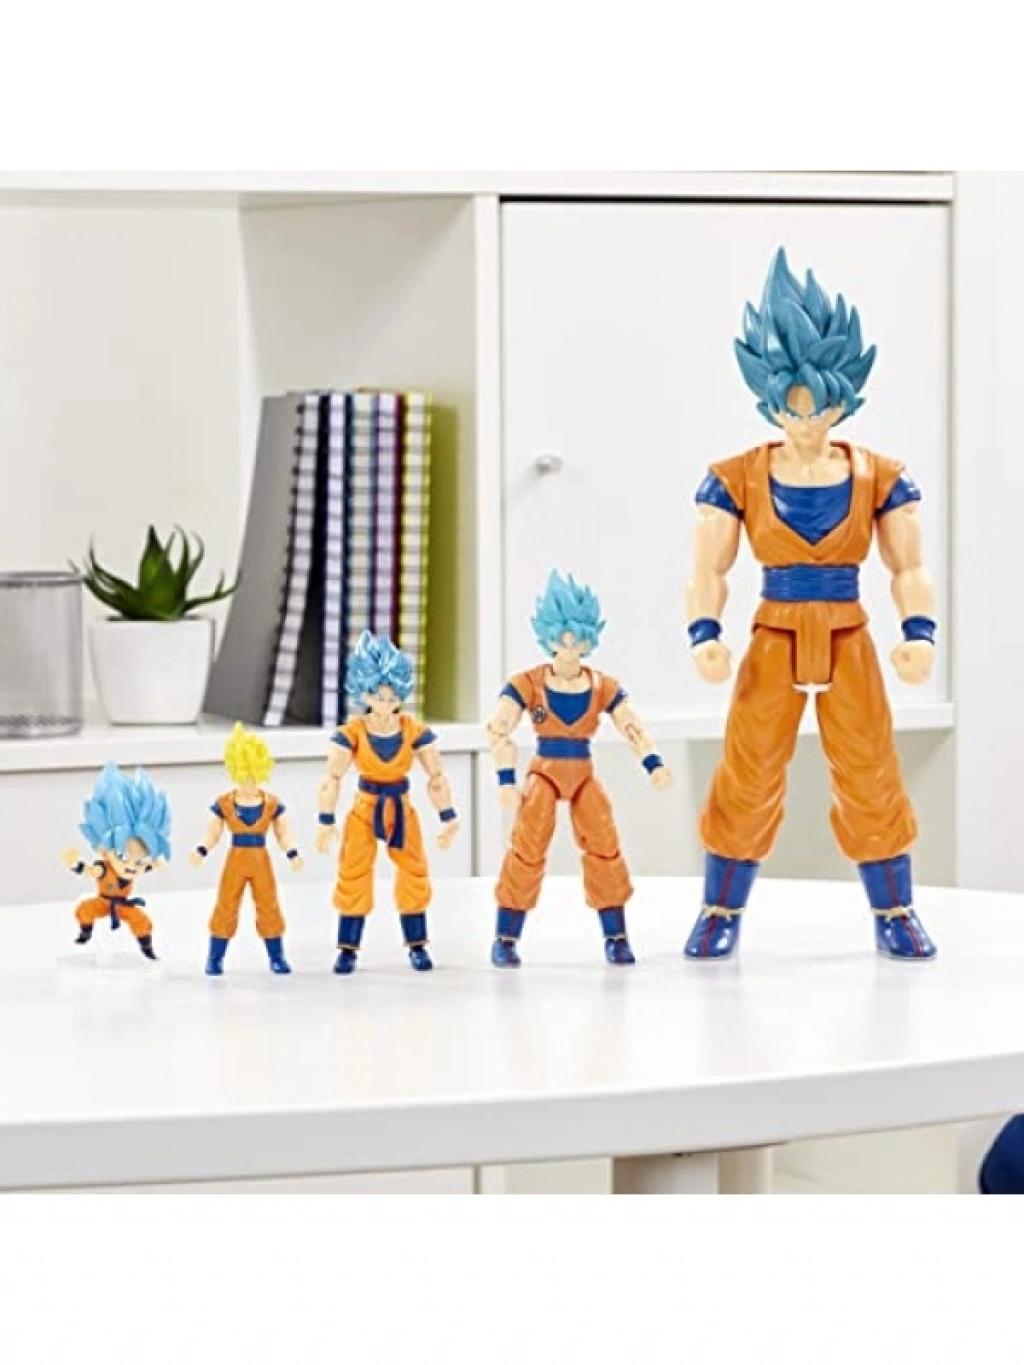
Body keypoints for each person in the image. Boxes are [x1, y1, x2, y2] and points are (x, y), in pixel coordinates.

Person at [684, 247, 938, 961]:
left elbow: (908, 564)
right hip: (774, 633)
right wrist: (704, 632)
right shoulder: (735, 476)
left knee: (870, 769)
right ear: (767, 399)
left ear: (844, 398)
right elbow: (708, 565)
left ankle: (894, 910)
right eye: (790, 406)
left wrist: (919, 631)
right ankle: (719, 908)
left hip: (849, 633)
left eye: (819, 405)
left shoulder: (879, 475)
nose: (805, 420)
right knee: (749, 769)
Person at [486, 569, 672, 967]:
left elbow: (631, 726)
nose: (570, 648)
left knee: (603, 844)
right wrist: (505, 779)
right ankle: (505, 937)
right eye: (562, 639)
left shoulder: (602, 685)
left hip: (582, 772)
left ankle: (616, 936)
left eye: (578, 639)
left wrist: (652, 762)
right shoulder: (527, 683)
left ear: (589, 638)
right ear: (548, 636)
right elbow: (498, 729)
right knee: (528, 846)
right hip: (544, 772)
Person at [316, 631, 460, 974]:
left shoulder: (413, 730)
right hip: (364, 808)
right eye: (378, 695)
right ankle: (347, 948)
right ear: (364, 692)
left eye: (392, 695)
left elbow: (436, 777)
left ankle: (417, 944)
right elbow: (331, 778)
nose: (385, 701)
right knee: (353, 872)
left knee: (414, 871)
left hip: (401, 807)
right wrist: (325, 820)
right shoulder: (352, 732)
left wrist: (448, 816)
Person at [191, 723, 303, 975]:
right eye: (244, 776)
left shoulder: (272, 803)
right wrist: (201, 850)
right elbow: (213, 833)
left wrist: (292, 853)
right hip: (236, 860)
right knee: (226, 906)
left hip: (261, 860)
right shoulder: (224, 803)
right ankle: (215, 958)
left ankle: (277, 957)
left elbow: (283, 834)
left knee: (268, 906)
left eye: (254, 776)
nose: (249, 783)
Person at [62, 762, 171, 960]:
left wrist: (155, 863)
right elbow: (88, 870)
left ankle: (147, 947)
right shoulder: (104, 868)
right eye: (123, 858)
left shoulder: (138, 867)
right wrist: (74, 863)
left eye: (139, 861)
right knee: (84, 909)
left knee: (141, 920)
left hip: (123, 905)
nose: (131, 866)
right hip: (102, 902)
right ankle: (85, 932)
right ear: (105, 852)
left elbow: (148, 865)